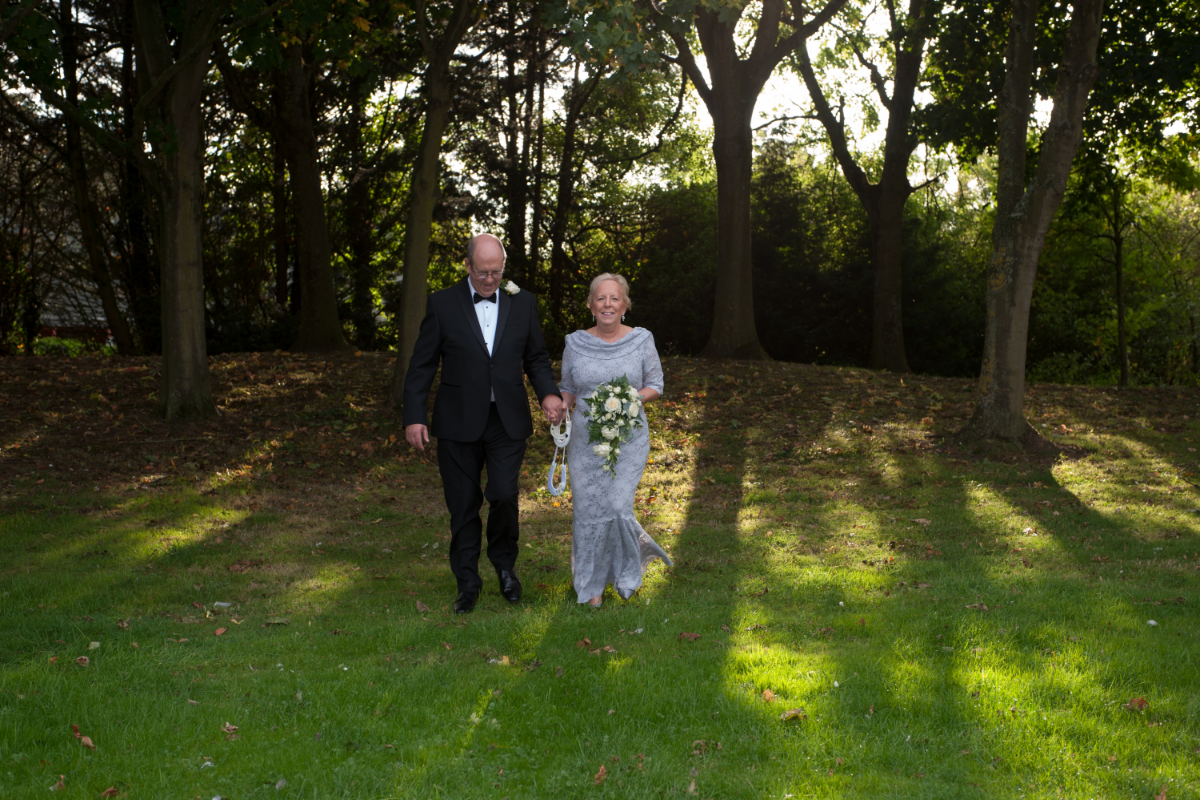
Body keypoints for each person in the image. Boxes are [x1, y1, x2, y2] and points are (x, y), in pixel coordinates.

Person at [403, 234, 566, 614]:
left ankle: (505, 566)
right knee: (463, 504)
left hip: (506, 420)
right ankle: (467, 582)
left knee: (505, 494)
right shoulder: (443, 303)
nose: (490, 280)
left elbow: (537, 358)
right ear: (467, 266)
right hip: (457, 420)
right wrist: (414, 416)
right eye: (482, 272)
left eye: (497, 272)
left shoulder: (522, 302)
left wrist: (548, 394)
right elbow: (423, 363)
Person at [559, 273, 672, 606]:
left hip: (629, 438)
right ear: (591, 305)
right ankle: (590, 585)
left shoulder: (641, 339)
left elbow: (656, 383)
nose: (607, 304)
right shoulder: (574, 343)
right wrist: (560, 406)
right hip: (585, 441)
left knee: (617, 505)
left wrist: (629, 401)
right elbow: (568, 387)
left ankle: (626, 573)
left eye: (614, 298)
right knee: (588, 510)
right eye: (601, 298)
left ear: (625, 305)